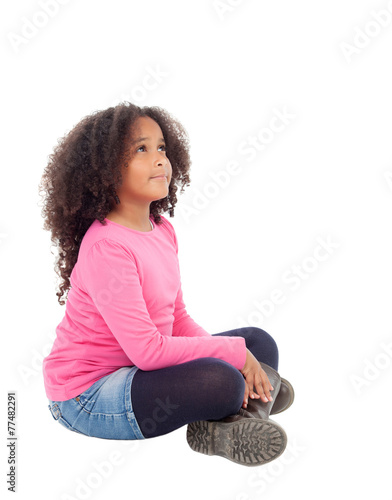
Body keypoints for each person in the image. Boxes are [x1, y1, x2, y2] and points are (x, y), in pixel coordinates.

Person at [39, 102, 294, 467]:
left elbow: (176, 318)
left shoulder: (162, 231)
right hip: (86, 397)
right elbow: (147, 351)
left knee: (258, 343)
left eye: (161, 147)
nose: (160, 159)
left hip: (139, 371)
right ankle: (250, 402)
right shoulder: (108, 248)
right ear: (106, 169)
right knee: (225, 376)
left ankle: (234, 419)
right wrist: (231, 358)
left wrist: (233, 352)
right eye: (141, 149)